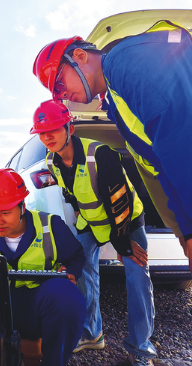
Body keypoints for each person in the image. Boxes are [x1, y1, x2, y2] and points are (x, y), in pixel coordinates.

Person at [33, 26, 192, 365]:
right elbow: (166, 170)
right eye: (56, 93)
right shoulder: (118, 105)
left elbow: (189, 147)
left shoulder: (128, 60)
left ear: (80, 56)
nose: (64, 95)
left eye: (60, 83)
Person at [31, 99, 155, 365]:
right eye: (42, 132)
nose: (47, 136)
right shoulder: (51, 161)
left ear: (69, 129)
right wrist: (78, 214)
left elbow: (119, 203)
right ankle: (91, 332)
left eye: (53, 129)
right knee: (81, 268)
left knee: (137, 276)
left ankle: (140, 348)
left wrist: (123, 246)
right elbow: (69, 191)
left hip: (126, 222)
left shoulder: (101, 154)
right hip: (91, 223)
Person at [0, 168, 85, 366]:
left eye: (5, 212)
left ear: (22, 206)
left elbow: (76, 256)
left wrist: (70, 272)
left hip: (36, 306)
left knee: (66, 296)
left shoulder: (51, 226)